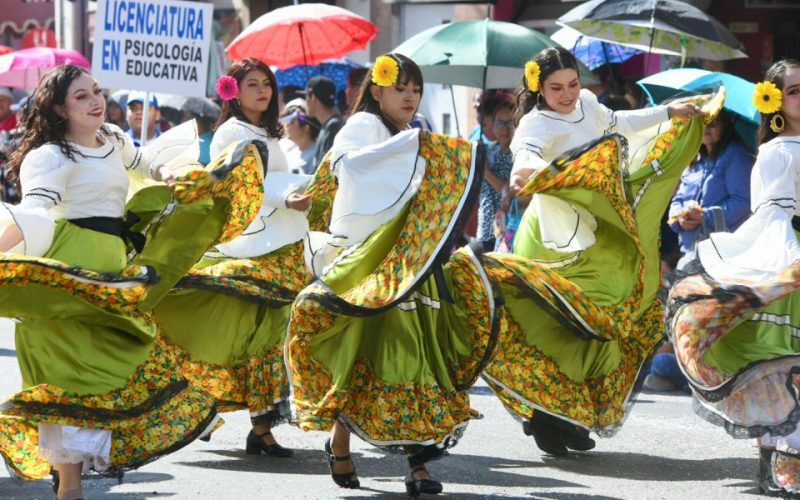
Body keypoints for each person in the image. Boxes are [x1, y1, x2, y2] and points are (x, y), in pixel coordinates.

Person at [0, 64, 247, 499]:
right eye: (81, 96)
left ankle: (70, 476)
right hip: (71, 275)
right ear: (58, 107)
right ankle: (70, 485)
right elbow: (35, 212)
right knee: (70, 375)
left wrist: (172, 174)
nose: (96, 100)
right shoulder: (51, 156)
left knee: (120, 359)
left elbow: (146, 163)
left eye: (96, 91)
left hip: (114, 270)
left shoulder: (112, 138)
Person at [478, 46, 706, 457]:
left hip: (603, 228)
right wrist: (525, 174)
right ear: (539, 88)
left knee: (606, 322)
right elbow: (524, 157)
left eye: (573, 83)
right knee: (562, 326)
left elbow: (618, 121)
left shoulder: (587, 103)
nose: (567, 94)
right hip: (556, 238)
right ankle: (546, 416)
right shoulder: (534, 123)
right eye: (556, 88)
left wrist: (669, 113)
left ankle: (571, 413)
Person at [287, 53, 496, 496]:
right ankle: (341, 442)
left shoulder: (409, 135)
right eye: (401, 88)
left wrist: (416, 146)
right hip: (368, 263)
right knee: (363, 358)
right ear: (377, 90)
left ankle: (417, 464)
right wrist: (412, 147)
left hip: (411, 265)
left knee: (417, 355)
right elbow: (346, 166)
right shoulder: (365, 127)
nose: (410, 96)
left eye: (416, 89)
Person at [155, 57, 314, 460]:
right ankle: (215, 410)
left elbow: (278, 180)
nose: (262, 90)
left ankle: (260, 427)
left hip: (283, 243)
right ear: (233, 91)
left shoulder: (267, 131)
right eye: (253, 84)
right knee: (255, 336)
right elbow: (246, 186)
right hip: (254, 245)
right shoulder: (231, 132)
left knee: (268, 336)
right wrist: (286, 198)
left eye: (267, 83)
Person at [665, 59, 800, 497]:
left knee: (785, 367)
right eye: (795, 91)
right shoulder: (779, 151)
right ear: (776, 101)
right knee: (778, 366)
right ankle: (781, 465)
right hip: (785, 257)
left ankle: (774, 464)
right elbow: (775, 212)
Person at [669, 109, 753, 266]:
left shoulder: (734, 154)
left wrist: (704, 216)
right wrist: (679, 218)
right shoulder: (695, 157)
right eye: (702, 123)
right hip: (690, 250)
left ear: (725, 127)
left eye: (713, 123)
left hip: (721, 254)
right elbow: (678, 198)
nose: (706, 128)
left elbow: (744, 201)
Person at [476, 98, 515, 249]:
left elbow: (509, 190)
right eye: (500, 123)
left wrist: (486, 172)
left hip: (508, 230)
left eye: (510, 122)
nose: (505, 129)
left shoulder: (519, 154)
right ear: (493, 126)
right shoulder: (488, 151)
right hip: (485, 227)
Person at [303, 76, 344, 168]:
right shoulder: (331, 124)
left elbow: (324, 169)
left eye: (306, 97)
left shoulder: (333, 126)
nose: (305, 102)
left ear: (313, 97)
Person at [281, 103, 320, 174]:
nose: (286, 126)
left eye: (292, 122)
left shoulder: (316, 155)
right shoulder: (290, 151)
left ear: (306, 127)